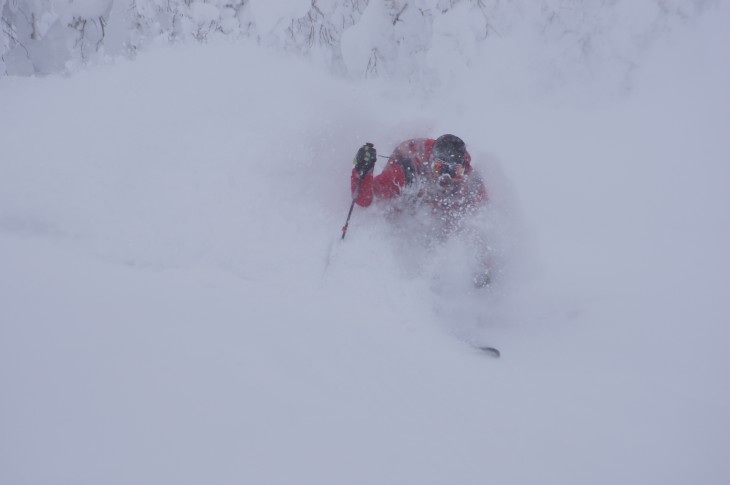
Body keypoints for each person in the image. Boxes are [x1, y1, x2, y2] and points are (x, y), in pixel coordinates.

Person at [349, 134, 492, 287]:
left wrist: (483, 265)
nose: (446, 177)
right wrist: (363, 169)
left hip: (437, 199)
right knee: (396, 212)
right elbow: (364, 199)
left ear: (463, 169)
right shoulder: (405, 173)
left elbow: (480, 222)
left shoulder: (470, 184)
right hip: (410, 191)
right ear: (431, 162)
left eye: (454, 172)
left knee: (455, 220)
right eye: (439, 168)